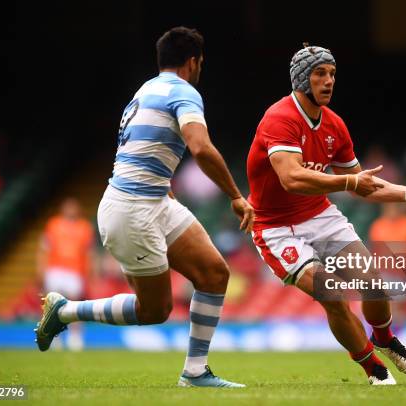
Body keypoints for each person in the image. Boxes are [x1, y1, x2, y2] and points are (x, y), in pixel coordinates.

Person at [35, 27, 254, 388]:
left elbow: (139, 148)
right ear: (193, 61)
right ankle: (66, 311)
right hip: (133, 210)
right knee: (154, 310)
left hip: (153, 200)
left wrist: (163, 187)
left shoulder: (144, 91)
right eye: (201, 63)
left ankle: (195, 372)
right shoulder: (185, 91)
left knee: (215, 273)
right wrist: (235, 195)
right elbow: (200, 147)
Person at [246, 44, 406, 385]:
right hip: (276, 228)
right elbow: (291, 178)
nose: (329, 81)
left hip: (320, 215)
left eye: (333, 74)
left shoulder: (334, 125)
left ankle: (385, 338)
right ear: (300, 78)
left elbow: (363, 185)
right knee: (333, 295)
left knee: (374, 287)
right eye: (320, 73)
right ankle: (374, 369)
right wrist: (349, 180)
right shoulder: (279, 118)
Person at [36, 197, 95, 350]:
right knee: (53, 305)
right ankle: (54, 336)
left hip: (74, 271)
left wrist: (89, 273)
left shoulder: (85, 227)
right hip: (55, 269)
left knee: (74, 304)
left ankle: (75, 337)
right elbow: (44, 249)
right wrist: (41, 270)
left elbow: (89, 253)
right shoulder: (53, 224)